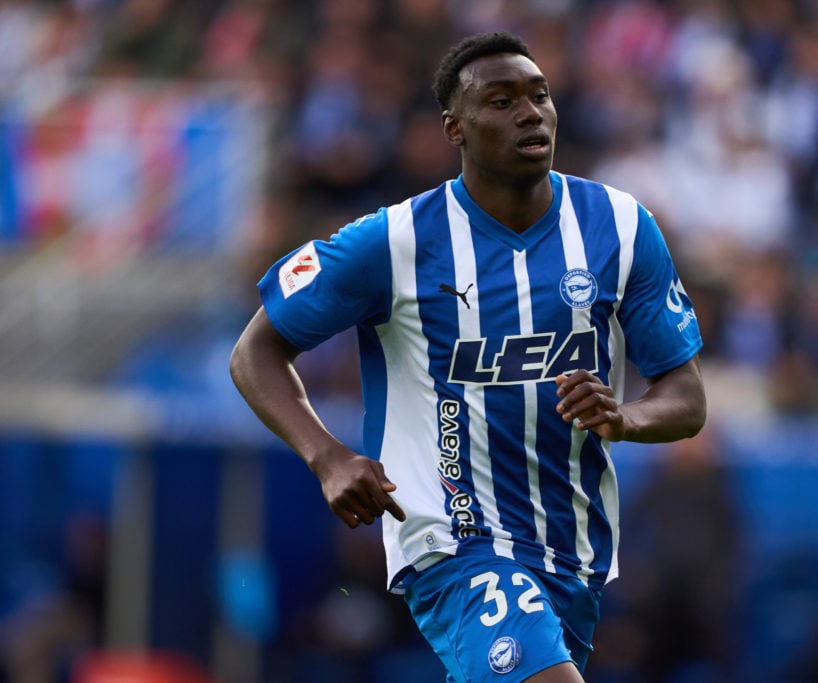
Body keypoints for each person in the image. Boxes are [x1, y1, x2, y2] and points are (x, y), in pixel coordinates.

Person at [230, 31, 706, 683]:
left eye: (539, 95)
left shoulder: (620, 227)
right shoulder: (394, 241)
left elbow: (686, 396)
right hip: (452, 541)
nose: (530, 112)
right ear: (456, 128)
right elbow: (254, 351)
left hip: (574, 549)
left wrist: (624, 417)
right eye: (502, 100)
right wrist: (328, 455)